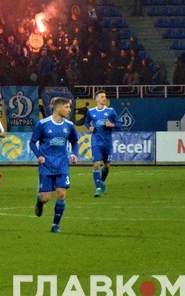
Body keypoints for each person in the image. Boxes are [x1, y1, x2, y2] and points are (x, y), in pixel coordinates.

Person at [30, 97, 79, 233]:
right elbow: (32, 142)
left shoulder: (69, 125)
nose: (69, 110)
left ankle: (55, 225)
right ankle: (39, 200)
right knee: (45, 197)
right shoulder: (42, 124)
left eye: (69, 107)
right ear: (57, 108)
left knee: (61, 193)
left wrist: (74, 153)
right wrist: (38, 156)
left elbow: (75, 142)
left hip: (62, 164)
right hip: (46, 166)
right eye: (66, 107)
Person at [84, 90, 119, 197]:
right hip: (96, 142)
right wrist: (89, 127)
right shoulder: (91, 111)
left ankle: (102, 181)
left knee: (107, 166)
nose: (104, 98)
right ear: (97, 99)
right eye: (102, 97)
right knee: (96, 164)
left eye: (105, 96)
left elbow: (119, 123)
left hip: (107, 143)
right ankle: (98, 188)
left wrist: (112, 125)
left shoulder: (111, 111)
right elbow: (86, 121)